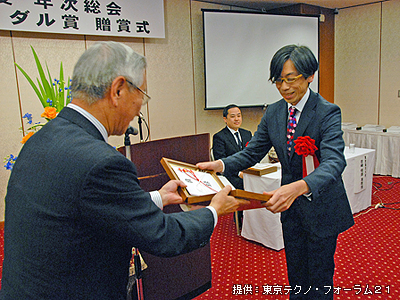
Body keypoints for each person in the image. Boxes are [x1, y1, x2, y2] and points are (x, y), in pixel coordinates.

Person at [0, 41, 248, 300]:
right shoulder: (101, 162)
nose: (141, 105)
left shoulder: (43, 137)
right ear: (118, 89)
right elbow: (163, 236)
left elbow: (86, 205)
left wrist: (157, 198)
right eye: (142, 93)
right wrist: (214, 210)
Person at [197, 44, 354, 300]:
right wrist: (221, 165)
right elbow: (252, 152)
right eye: (278, 81)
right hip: (291, 212)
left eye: (290, 79)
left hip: (321, 207)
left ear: (310, 75)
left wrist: (299, 187)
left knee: (319, 276)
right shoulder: (275, 111)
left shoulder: (327, 112)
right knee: (296, 274)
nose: (284, 87)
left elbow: (334, 162)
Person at [212, 104, 252, 229]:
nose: (237, 119)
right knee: (243, 185)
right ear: (225, 119)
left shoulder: (247, 134)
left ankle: (254, 219)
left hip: (247, 172)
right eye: (233, 116)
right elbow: (221, 161)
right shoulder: (219, 137)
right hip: (230, 175)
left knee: (259, 182)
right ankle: (243, 219)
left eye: (239, 116)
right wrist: (238, 173)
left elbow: (252, 156)